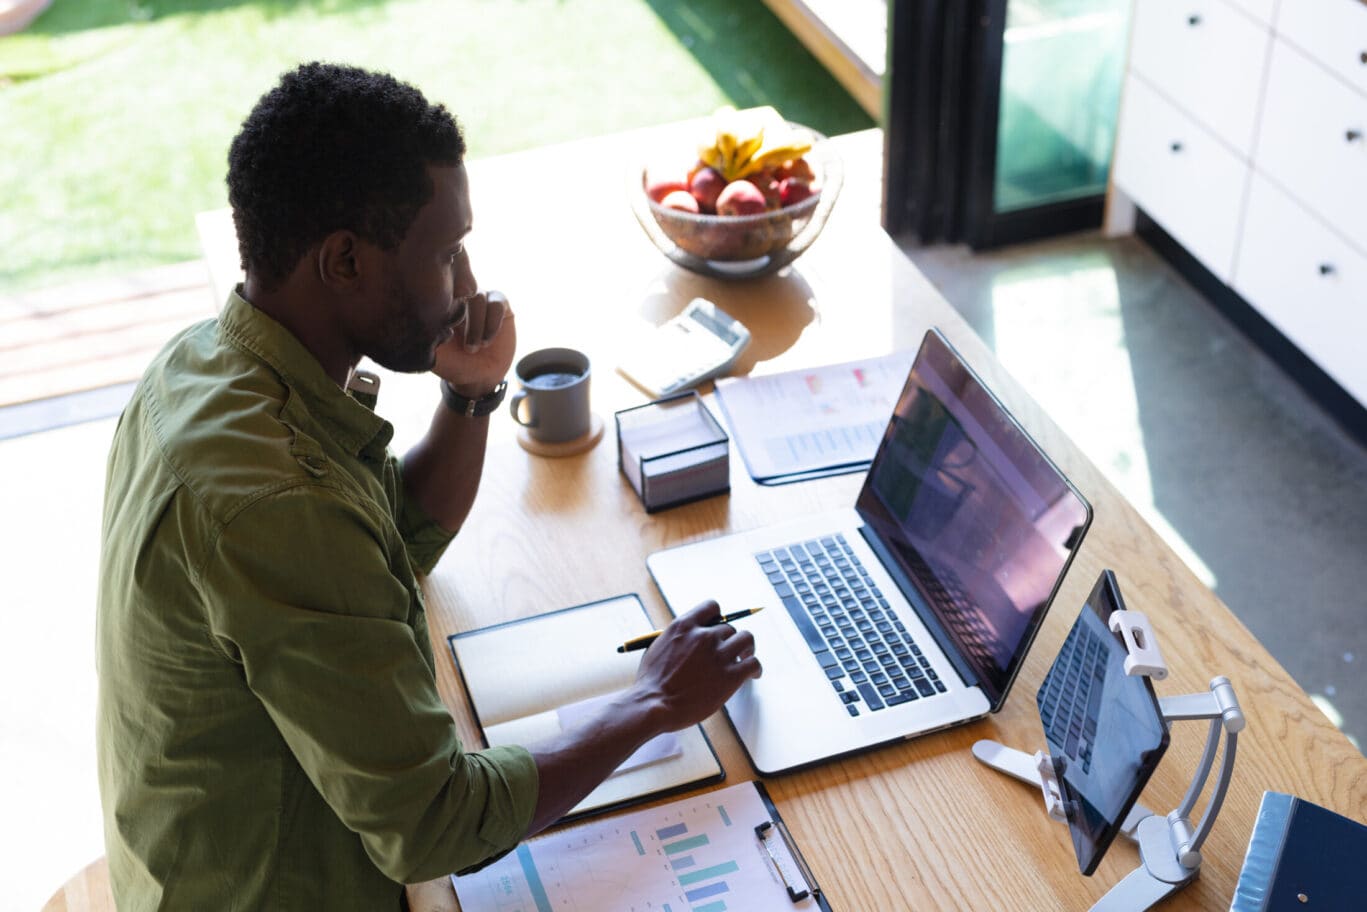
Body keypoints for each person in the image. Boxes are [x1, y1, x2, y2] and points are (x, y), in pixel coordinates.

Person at [96, 61, 761, 911]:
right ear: (343, 260)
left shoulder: (209, 363)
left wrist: (472, 392)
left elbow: (394, 538)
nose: (467, 284)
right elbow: (435, 825)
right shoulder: (278, 501)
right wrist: (653, 702)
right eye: (445, 253)